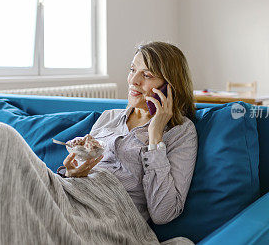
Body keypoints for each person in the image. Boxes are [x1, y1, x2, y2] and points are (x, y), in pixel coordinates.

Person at [57, 41, 198, 225]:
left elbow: (163, 213)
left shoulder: (181, 132)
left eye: (147, 75)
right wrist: (72, 174)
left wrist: (155, 136)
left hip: (107, 220)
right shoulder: (108, 118)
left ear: (169, 86)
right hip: (71, 200)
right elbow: (81, 178)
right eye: (132, 70)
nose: (133, 80)